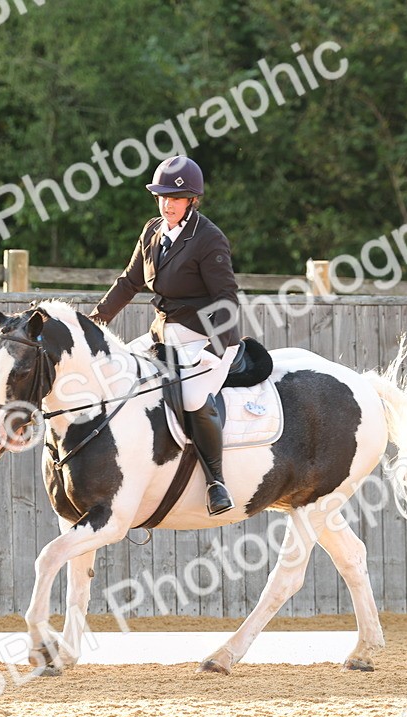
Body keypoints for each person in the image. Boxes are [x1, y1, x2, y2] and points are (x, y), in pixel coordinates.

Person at [89, 155, 241, 516]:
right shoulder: (153, 232)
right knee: (116, 372)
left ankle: (216, 482)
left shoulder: (208, 239)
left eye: (176, 198)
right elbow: (129, 282)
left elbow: (226, 300)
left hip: (206, 337)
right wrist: (95, 322)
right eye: (162, 197)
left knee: (191, 398)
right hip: (164, 336)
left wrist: (216, 352)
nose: (168, 204)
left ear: (192, 200)